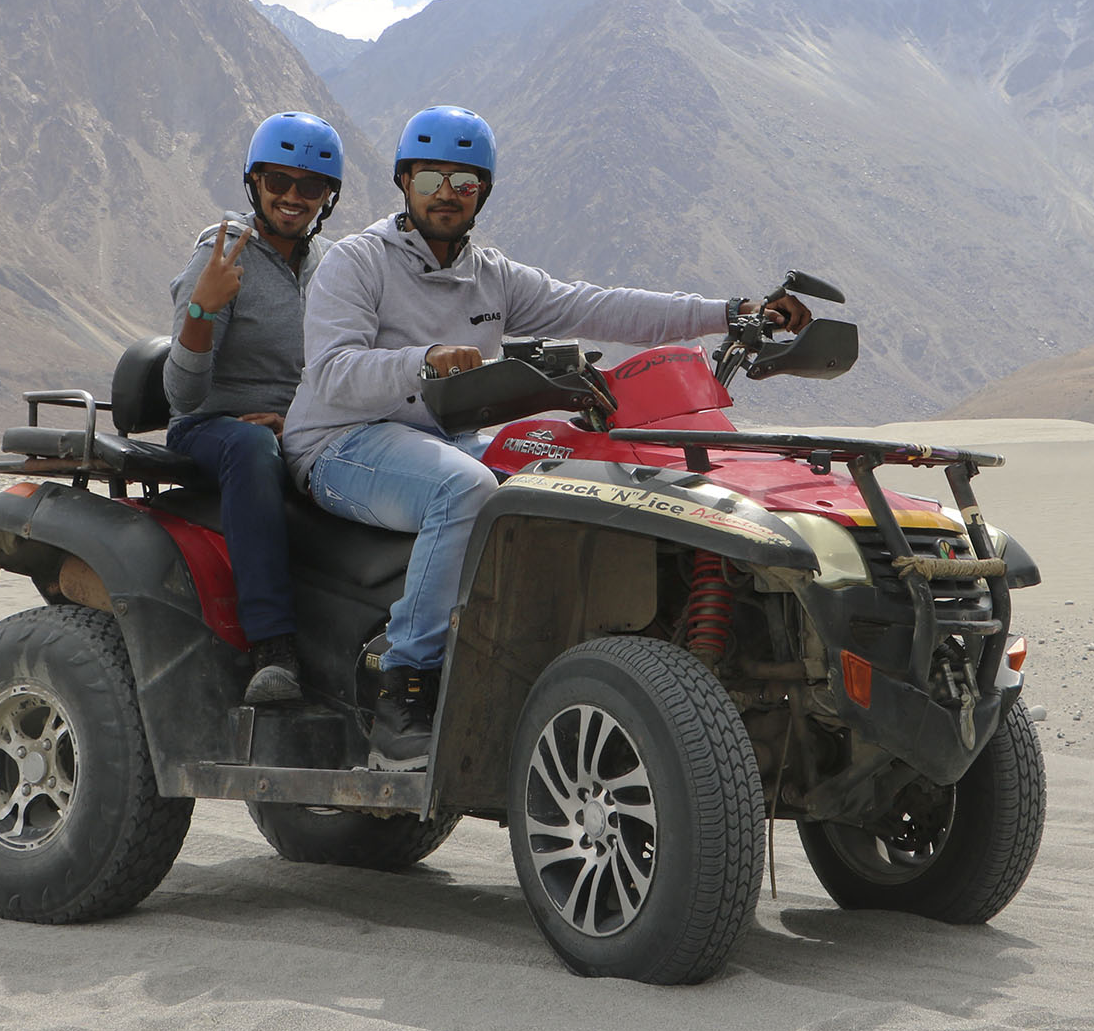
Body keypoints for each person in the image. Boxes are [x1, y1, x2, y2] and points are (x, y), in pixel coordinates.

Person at [281, 105, 809, 768]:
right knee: (466, 489)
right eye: (431, 180)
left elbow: (599, 305)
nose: (447, 194)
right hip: (341, 442)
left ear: (484, 193)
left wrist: (727, 312)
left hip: (439, 440)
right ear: (403, 182)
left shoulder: (492, 275)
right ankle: (405, 684)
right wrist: (424, 360)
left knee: (554, 480)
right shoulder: (359, 262)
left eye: (465, 183)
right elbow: (330, 376)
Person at [166, 110, 345, 705]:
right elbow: (182, 395)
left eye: (310, 186)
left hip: (300, 428)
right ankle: (272, 647)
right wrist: (201, 309)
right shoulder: (220, 254)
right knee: (251, 445)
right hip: (214, 429)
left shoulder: (332, 270)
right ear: (255, 183)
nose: (293, 197)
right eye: (278, 182)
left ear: (328, 196)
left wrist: (298, 419)